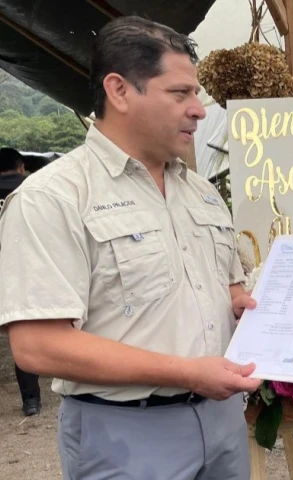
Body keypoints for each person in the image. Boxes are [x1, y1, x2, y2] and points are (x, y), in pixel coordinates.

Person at [0, 16, 262, 480]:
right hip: (125, 434)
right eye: (180, 93)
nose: (199, 109)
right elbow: (38, 346)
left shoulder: (201, 193)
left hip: (222, 424)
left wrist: (240, 305)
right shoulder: (54, 198)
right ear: (119, 91)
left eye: (196, 94)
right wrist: (186, 372)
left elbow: (225, 289)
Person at [0, 146, 43, 416]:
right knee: (23, 332)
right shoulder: (34, 189)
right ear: (21, 167)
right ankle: (31, 401)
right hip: (21, 270)